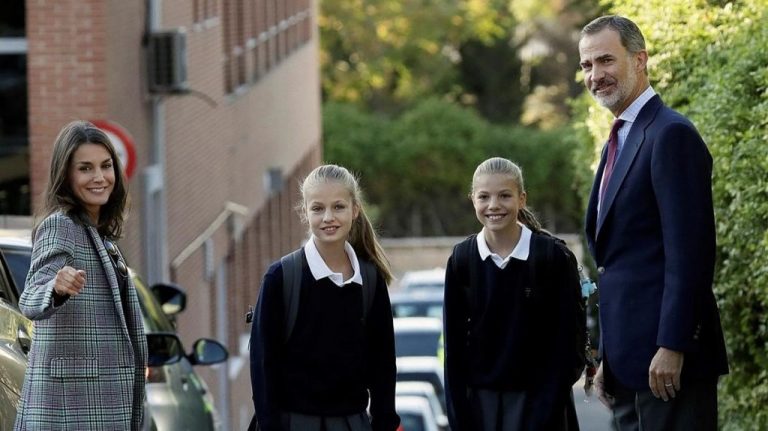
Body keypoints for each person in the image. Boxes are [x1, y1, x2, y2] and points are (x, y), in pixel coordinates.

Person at [579, 15, 728, 430]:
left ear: (640, 60)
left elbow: (691, 255)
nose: (595, 75)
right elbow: (615, 263)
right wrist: (608, 355)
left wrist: (673, 344)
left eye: (605, 60)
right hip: (628, 368)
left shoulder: (671, 134)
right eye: (587, 65)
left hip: (668, 367)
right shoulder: (618, 140)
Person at [14, 120, 147, 430]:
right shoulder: (61, 226)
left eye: (106, 166)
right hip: (71, 410)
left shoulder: (99, 234)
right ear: (66, 176)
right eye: (85, 168)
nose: (99, 177)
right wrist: (56, 287)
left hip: (99, 404)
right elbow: (31, 298)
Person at [249, 164, 400, 431]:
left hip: (353, 424)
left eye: (338, 207)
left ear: (355, 210)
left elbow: (383, 363)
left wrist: (384, 423)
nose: (328, 217)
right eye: (318, 208)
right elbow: (263, 365)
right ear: (305, 213)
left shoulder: (369, 279)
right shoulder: (280, 277)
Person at [443, 157, 582, 431]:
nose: (494, 205)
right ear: (473, 200)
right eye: (484, 196)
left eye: (504, 196)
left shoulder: (552, 257)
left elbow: (568, 344)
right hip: (481, 409)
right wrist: (460, 418)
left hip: (542, 407)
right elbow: (454, 349)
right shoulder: (462, 259)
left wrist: (546, 412)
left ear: (522, 199)